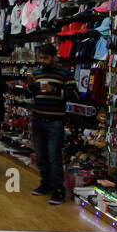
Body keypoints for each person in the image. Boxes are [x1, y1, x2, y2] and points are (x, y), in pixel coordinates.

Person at [26, 42, 68, 205]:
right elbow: (32, 92)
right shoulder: (37, 72)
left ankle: (58, 190)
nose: (42, 61)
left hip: (55, 120)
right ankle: (45, 184)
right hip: (38, 118)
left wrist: (55, 90)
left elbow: (75, 94)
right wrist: (30, 85)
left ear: (54, 57)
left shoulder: (64, 74)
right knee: (41, 155)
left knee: (54, 157)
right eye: (41, 58)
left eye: (45, 58)